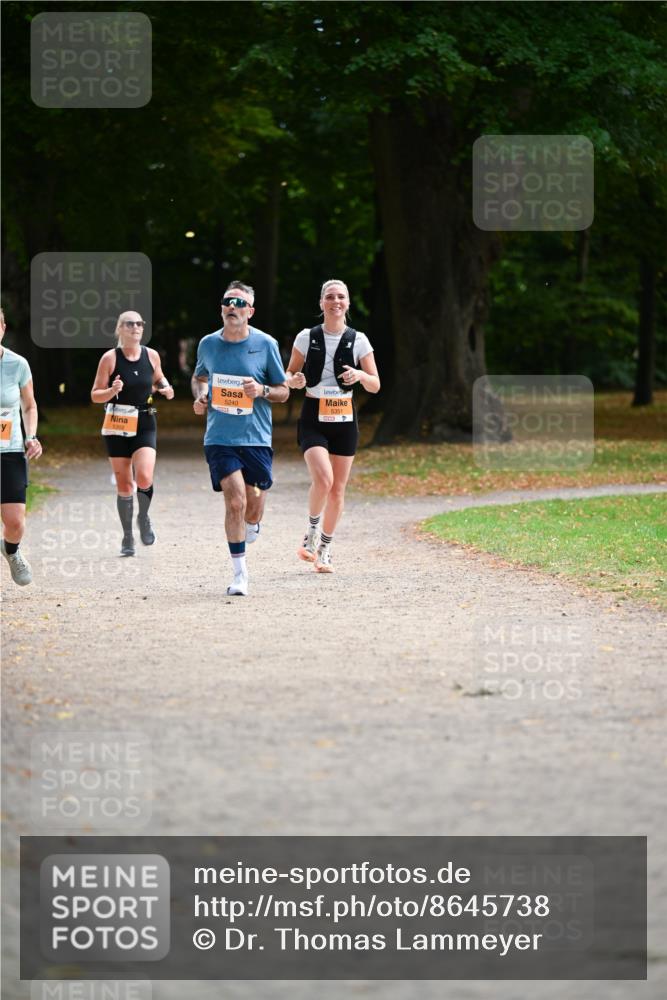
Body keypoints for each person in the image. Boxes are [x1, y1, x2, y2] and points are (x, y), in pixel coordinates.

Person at [191, 281, 288, 597]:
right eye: (228, 301)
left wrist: (260, 391)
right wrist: (201, 394)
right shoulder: (207, 344)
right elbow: (199, 376)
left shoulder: (265, 344)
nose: (233, 306)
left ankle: (253, 524)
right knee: (235, 501)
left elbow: (283, 391)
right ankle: (240, 574)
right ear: (222, 308)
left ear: (250, 311)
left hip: (256, 438)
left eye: (240, 302)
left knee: (253, 506)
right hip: (219, 437)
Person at [285, 279, 380, 573]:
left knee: (338, 490)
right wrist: (295, 380)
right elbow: (289, 373)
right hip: (314, 414)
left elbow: (375, 384)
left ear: (348, 304)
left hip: (344, 418)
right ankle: (311, 531)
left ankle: (325, 549)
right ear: (321, 303)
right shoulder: (306, 337)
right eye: (330, 297)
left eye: (341, 297)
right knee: (323, 479)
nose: (336, 301)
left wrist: (360, 376)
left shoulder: (359, 340)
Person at [91, 311, 174, 556]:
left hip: (145, 420)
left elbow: (159, 378)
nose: (136, 328)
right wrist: (111, 390)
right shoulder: (109, 358)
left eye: (139, 324)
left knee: (145, 476)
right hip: (117, 422)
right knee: (125, 484)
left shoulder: (152, 355)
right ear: (120, 329)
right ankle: (127, 536)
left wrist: (166, 388)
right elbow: (95, 394)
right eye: (130, 324)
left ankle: (144, 516)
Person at [0, 307, 43, 586]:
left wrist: (32, 436)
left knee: (15, 523)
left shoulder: (18, 364)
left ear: (2, 328)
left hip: (10, 450)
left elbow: (29, 405)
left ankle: (11, 550)